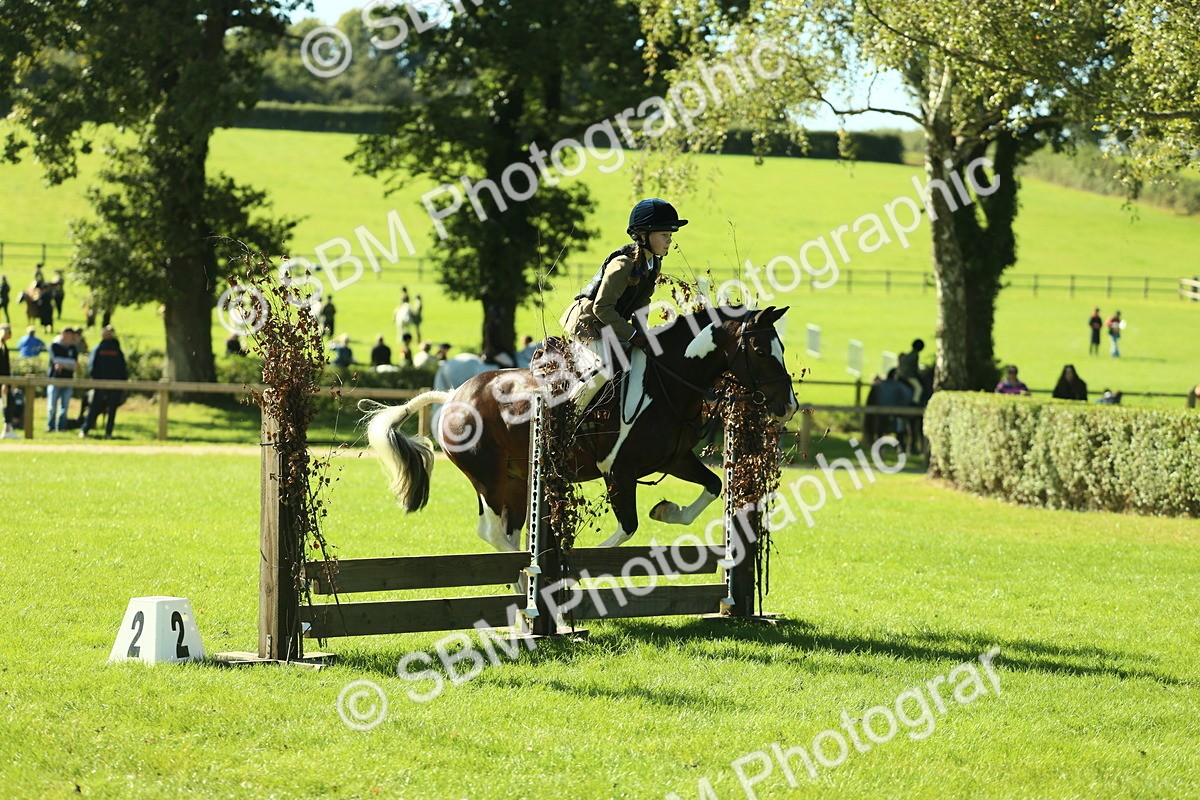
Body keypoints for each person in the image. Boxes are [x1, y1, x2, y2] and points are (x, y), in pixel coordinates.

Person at [559, 197, 687, 411]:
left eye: (670, 235)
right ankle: (567, 415)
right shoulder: (623, 264)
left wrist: (642, 335)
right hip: (587, 322)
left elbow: (642, 304)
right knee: (603, 369)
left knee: (645, 361)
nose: (669, 241)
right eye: (664, 235)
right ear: (644, 235)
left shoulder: (653, 263)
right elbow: (601, 308)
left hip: (609, 323)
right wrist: (632, 335)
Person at [80, 326, 127, 439]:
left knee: (95, 407)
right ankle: (106, 433)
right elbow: (123, 369)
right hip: (112, 384)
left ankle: (86, 430)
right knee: (109, 409)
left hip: (101, 384)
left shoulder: (99, 349)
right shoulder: (117, 350)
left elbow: (92, 367)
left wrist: (94, 380)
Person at [46, 327, 79, 431]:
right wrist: (69, 363)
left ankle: (61, 427)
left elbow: (75, 364)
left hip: (68, 380)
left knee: (64, 407)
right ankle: (50, 427)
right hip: (54, 380)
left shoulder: (73, 348)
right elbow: (56, 360)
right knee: (52, 406)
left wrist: (63, 364)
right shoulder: (54, 345)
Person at [0, 323, 17, 439]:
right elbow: (2, 367)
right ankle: (7, 429)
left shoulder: (3, 346)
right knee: (7, 403)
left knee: (8, 402)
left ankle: (8, 428)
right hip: (2, 381)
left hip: (4, 380)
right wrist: (4, 382)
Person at [896, 338, 925, 403]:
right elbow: (915, 368)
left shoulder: (906, 355)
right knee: (919, 388)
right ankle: (915, 401)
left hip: (899, 375)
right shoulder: (915, 355)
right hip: (908, 376)